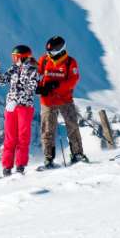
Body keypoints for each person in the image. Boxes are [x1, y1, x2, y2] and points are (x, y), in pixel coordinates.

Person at [37, 35, 89, 167]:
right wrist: (39, 87)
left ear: (60, 49)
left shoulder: (70, 62)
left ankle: (77, 154)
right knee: (47, 129)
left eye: (52, 51)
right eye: (48, 51)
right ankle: (48, 158)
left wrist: (56, 86)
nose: (49, 54)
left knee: (72, 126)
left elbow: (73, 80)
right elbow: (35, 75)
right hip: (47, 101)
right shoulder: (43, 60)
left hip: (65, 100)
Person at [0, 44, 41, 175]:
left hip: (24, 107)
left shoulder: (33, 70)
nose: (14, 60)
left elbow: (31, 88)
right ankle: (7, 167)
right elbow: (2, 81)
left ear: (23, 57)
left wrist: (16, 100)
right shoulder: (13, 68)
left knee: (22, 137)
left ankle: (20, 166)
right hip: (11, 107)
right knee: (9, 137)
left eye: (16, 57)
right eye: (13, 57)